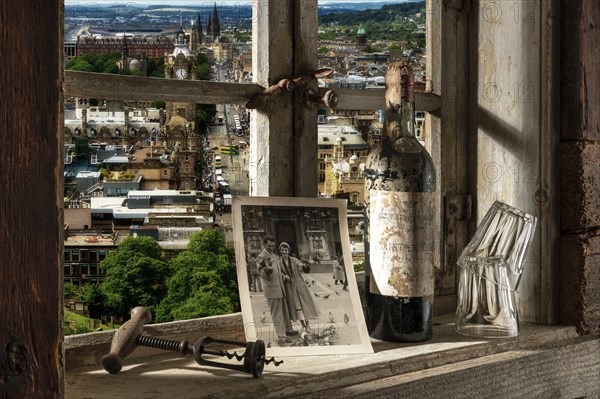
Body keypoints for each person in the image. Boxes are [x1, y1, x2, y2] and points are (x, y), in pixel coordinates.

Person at [276, 242, 319, 335]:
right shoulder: (279, 263)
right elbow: (279, 274)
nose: (284, 252)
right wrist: (284, 277)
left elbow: (299, 264)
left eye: (286, 250)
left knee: (305, 304)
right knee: (295, 306)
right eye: (282, 250)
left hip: (299, 284)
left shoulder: (293, 260)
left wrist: (303, 265)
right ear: (280, 251)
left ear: (288, 251)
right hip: (289, 287)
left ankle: (307, 325)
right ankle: (303, 325)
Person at [256, 235, 292, 344]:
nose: (272, 248)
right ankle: (281, 336)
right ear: (264, 244)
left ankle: (286, 331)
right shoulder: (260, 257)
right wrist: (268, 270)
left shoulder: (274, 255)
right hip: (272, 290)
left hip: (280, 288)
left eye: (273, 246)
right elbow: (263, 275)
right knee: (277, 314)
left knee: (283, 312)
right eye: (269, 246)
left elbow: (277, 269)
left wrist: (283, 276)